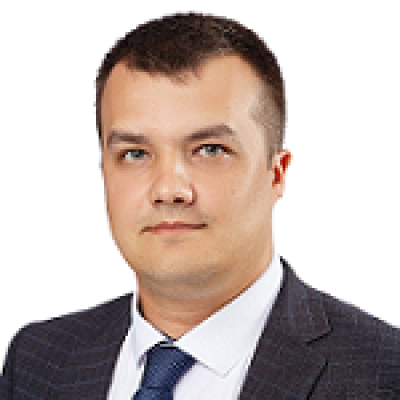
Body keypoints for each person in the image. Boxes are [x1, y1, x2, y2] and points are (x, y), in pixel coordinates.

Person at [1, 12, 399, 399]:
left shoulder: (383, 374)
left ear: (276, 174)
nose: (168, 189)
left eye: (209, 149)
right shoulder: (37, 361)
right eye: (135, 154)